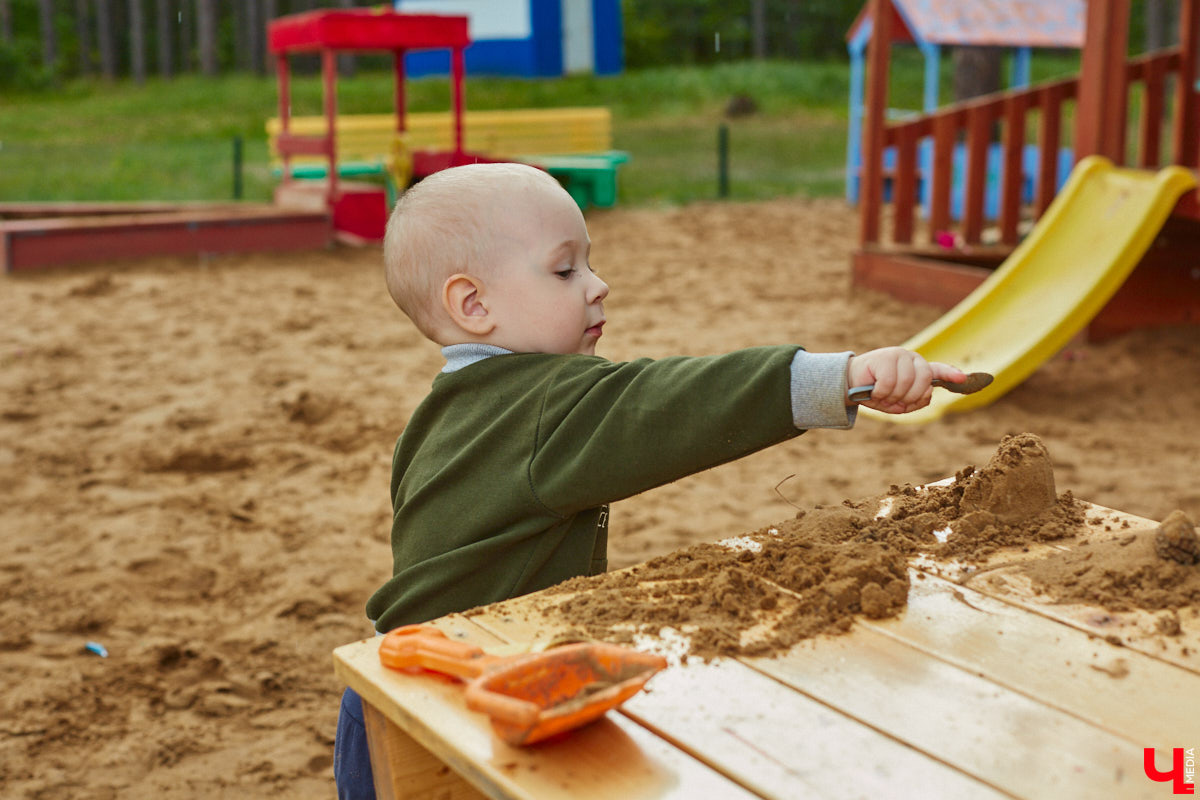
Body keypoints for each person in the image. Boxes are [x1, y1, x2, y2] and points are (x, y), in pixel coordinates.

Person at [333, 162, 965, 797]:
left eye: (589, 264)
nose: (598, 285)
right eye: (564, 270)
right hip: (452, 713)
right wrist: (841, 376)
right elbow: (671, 405)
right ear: (473, 304)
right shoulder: (545, 405)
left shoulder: (445, 409)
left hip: (391, 687)